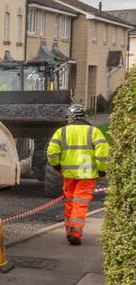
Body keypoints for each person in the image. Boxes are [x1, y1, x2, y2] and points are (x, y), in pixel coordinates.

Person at [47, 105, 109, 245]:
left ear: (70, 118)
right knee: (80, 204)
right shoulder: (94, 132)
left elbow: (51, 152)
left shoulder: (61, 132)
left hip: (68, 175)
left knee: (70, 203)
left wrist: (57, 166)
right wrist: (102, 170)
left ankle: (70, 230)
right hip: (87, 176)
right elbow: (103, 153)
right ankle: (75, 232)